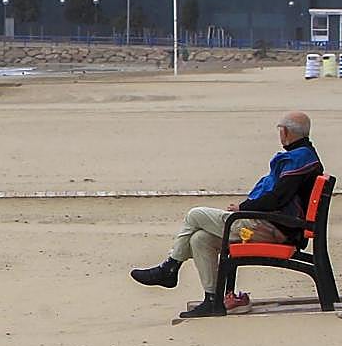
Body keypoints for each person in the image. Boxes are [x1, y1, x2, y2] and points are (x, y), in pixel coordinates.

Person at [131, 111, 323, 318]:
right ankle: (212, 300)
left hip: (272, 229)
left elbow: (277, 198)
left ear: (284, 132)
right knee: (200, 239)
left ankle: (169, 267)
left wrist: (243, 208)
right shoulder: (305, 156)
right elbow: (279, 197)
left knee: (195, 215)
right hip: (272, 225)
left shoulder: (299, 159)